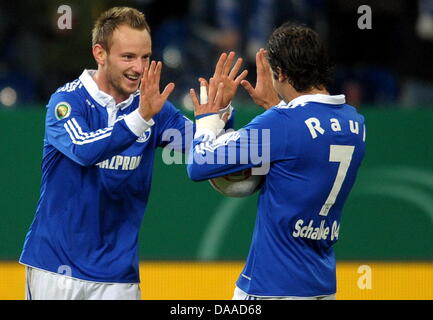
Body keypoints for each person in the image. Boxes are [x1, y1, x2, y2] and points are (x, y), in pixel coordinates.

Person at [19, 7, 246, 300]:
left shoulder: (154, 107)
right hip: (55, 269)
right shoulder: (67, 101)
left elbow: (203, 150)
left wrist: (219, 114)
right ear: (100, 54)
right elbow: (85, 149)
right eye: (128, 57)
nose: (139, 68)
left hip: (118, 279)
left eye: (145, 57)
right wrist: (140, 117)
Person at [187, 23, 366, 300]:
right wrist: (276, 106)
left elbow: (199, 164)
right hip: (321, 285)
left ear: (280, 73)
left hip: (272, 286)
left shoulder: (282, 125)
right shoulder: (355, 123)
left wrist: (210, 118)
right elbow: (303, 153)